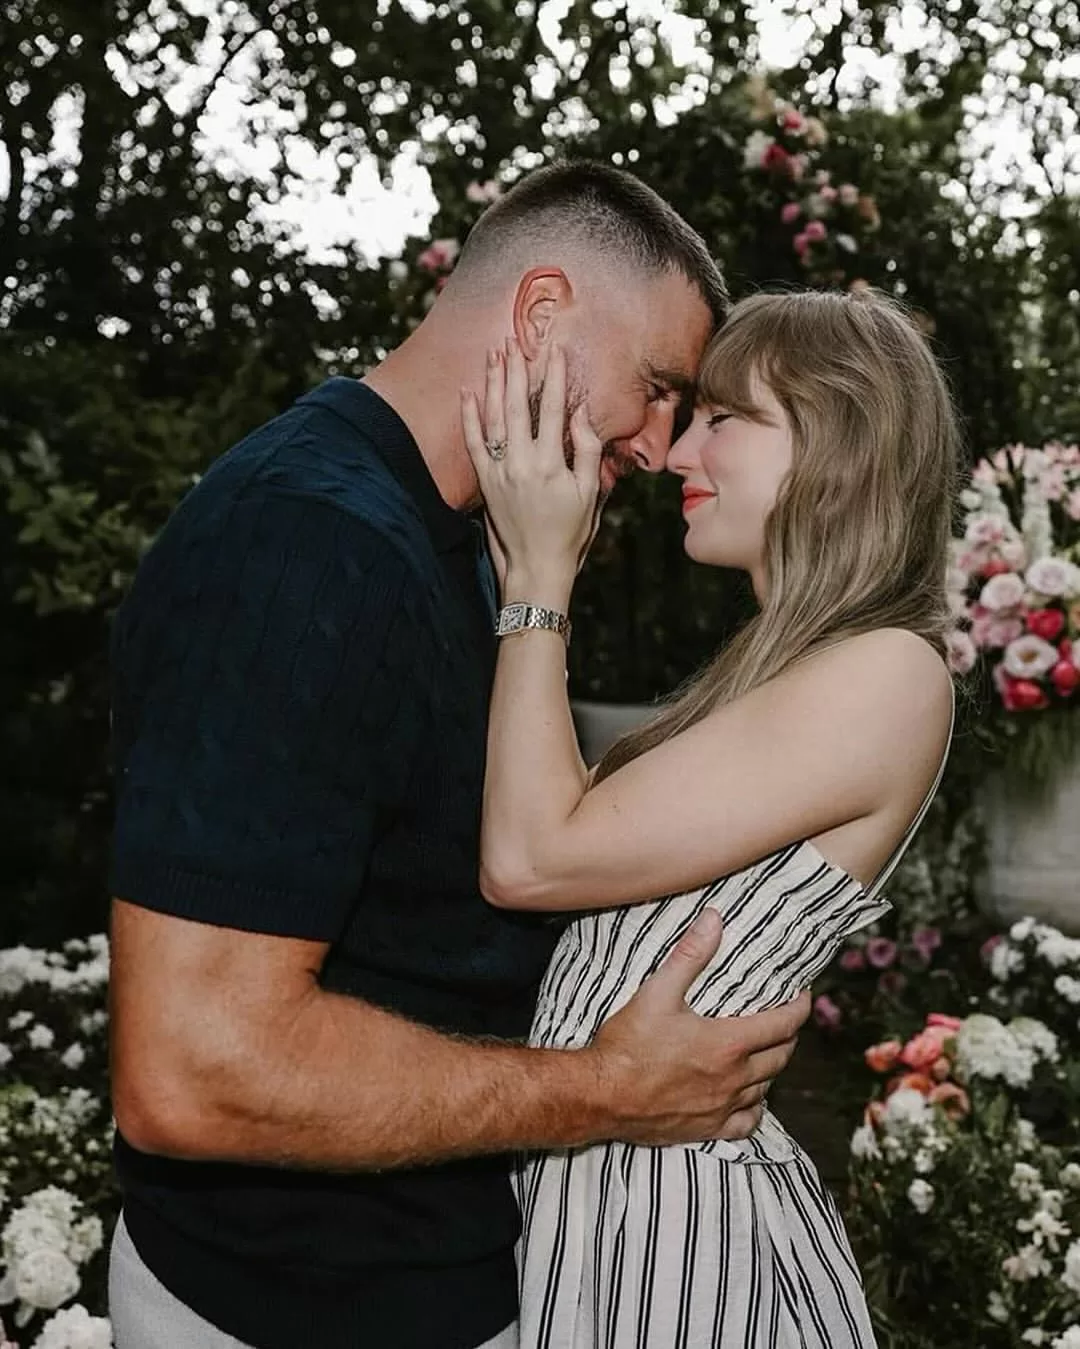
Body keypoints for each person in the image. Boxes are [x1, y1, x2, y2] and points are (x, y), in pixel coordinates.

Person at [105, 161, 812, 1349]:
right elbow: (194, 1068)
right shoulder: (309, 542)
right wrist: (610, 1089)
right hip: (290, 1309)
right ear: (540, 313)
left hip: (419, 1275)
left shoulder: (459, 539)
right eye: (655, 389)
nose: (657, 445)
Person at [460, 287, 958, 1348]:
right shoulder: (780, 674)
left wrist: (541, 580)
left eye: (724, 417)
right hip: (612, 1192)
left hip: (676, 1219)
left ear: (841, 439)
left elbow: (531, 854)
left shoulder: (890, 672)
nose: (680, 452)